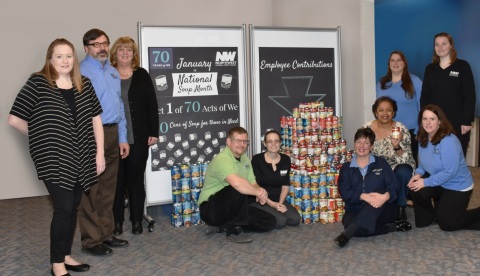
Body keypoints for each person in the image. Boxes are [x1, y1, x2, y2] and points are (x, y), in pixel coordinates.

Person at [8, 38, 102, 276]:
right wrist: (42, 135)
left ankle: (65, 255)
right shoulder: (38, 82)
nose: (64, 61)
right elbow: (15, 119)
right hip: (53, 159)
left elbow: (96, 120)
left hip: (82, 156)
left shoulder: (84, 84)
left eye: (69, 56)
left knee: (72, 208)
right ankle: (56, 264)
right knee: (63, 207)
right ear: (50, 59)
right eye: (59, 56)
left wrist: (99, 153)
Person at [78, 29, 130, 256]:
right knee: (90, 190)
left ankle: (106, 234)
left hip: (112, 133)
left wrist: (122, 137)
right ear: (86, 48)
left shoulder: (112, 72)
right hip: (90, 136)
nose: (101, 47)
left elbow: (119, 107)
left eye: (105, 43)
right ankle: (91, 240)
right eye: (96, 44)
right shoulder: (79, 72)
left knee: (108, 189)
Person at [110, 37, 159, 235]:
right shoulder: (109, 74)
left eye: (129, 50)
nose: (125, 53)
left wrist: (154, 132)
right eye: (121, 49)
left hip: (139, 138)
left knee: (136, 181)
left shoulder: (142, 74)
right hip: (114, 139)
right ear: (115, 53)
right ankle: (117, 222)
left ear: (133, 54)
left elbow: (151, 104)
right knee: (116, 183)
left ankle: (137, 220)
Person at [334, 128, 412, 248]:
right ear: (354, 144)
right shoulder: (346, 168)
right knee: (358, 229)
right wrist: (363, 196)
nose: (362, 146)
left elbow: (394, 185)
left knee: (377, 195)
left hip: (383, 208)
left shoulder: (381, 163)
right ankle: (393, 227)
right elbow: (345, 192)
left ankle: (346, 235)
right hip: (355, 209)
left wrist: (385, 196)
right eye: (358, 142)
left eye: (366, 143)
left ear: (371, 146)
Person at [407, 104, 480, 231]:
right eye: (425, 119)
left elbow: (450, 172)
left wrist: (425, 182)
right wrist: (418, 174)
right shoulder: (422, 137)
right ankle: (430, 217)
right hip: (440, 182)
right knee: (415, 187)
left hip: (458, 186)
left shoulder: (448, 141)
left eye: (432, 119)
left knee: (448, 224)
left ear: (440, 121)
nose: (428, 122)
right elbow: (423, 164)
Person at [198, 126, 276, 243]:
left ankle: (224, 225)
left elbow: (253, 183)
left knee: (269, 221)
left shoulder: (245, 159)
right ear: (229, 142)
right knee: (237, 188)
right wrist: (258, 192)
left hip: (231, 207)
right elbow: (237, 184)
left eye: (245, 141)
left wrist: (261, 194)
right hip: (211, 209)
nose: (242, 144)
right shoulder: (222, 159)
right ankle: (233, 230)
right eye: (238, 141)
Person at [420, 32, 476, 157]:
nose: (440, 47)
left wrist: (467, 121)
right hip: (435, 123)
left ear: (451, 46)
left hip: (458, 123)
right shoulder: (430, 69)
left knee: (456, 157)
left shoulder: (463, 66)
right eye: (437, 44)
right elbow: (425, 96)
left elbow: (470, 95)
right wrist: (425, 120)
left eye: (444, 43)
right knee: (436, 158)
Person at [363, 96, 416, 221]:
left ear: (394, 112)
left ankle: (401, 206)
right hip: (376, 167)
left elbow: (407, 159)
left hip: (396, 166)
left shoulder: (401, 129)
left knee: (404, 171)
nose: (385, 113)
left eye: (389, 110)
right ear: (376, 112)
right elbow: (361, 150)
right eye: (381, 110)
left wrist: (397, 146)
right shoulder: (366, 128)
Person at [376, 50, 422, 165]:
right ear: (389, 64)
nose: (395, 63)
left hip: (411, 131)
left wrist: (420, 129)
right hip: (387, 130)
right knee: (387, 163)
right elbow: (378, 108)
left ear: (404, 63)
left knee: (408, 163)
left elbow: (423, 105)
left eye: (399, 60)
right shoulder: (381, 83)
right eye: (392, 60)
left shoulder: (415, 81)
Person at [250, 129, 301, 229]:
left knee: (295, 219)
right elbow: (256, 186)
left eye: (276, 141)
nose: (273, 144)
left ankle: (276, 211)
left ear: (280, 143)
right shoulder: (257, 159)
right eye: (270, 141)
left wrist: (280, 204)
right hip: (262, 199)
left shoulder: (286, 159)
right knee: (281, 221)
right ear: (265, 144)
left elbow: (285, 186)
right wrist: (273, 205)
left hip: (278, 199)